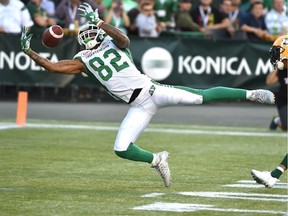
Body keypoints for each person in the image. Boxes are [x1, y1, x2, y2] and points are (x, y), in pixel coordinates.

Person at [21, 2, 275, 187]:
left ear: (99, 33)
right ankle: (157, 159)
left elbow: (123, 39)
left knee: (201, 96)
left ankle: (252, 94)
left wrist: (99, 22)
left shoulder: (113, 43)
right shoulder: (81, 60)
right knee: (121, 148)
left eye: (93, 31)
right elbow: (53, 67)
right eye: (86, 32)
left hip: (153, 91)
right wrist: (29, 52)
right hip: (138, 106)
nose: (88, 35)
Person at [266, 35, 288, 131]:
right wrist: (277, 67)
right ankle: (277, 120)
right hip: (284, 99)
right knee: (286, 127)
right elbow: (269, 82)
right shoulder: (282, 69)